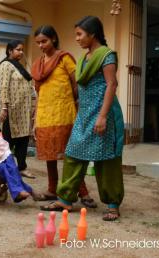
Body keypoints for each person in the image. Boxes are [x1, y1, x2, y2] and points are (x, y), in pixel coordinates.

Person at [52, 16, 124, 221]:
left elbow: (112, 85)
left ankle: (112, 204)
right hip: (85, 115)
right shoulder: (84, 58)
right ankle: (65, 199)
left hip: (103, 114)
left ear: (92, 34)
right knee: (73, 153)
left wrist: (102, 117)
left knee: (106, 159)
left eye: (80, 34)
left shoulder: (106, 55)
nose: (77, 38)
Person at [31, 25, 96, 207]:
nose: (42, 45)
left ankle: (82, 192)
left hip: (64, 114)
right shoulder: (38, 64)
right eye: (38, 43)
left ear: (53, 39)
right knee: (50, 156)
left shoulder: (64, 58)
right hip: (44, 115)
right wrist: (35, 119)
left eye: (44, 41)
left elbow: (78, 85)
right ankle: (52, 189)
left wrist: (75, 105)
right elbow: (39, 92)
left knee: (71, 155)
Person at [0, 40, 36, 179]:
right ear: (10, 50)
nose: (21, 52)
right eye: (18, 49)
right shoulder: (6, 65)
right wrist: (4, 107)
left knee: (23, 139)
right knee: (8, 141)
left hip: (23, 110)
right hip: (11, 110)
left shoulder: (20, 66)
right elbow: (3, 87)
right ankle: (2, 167)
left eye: (22, 50)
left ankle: (22, 167)